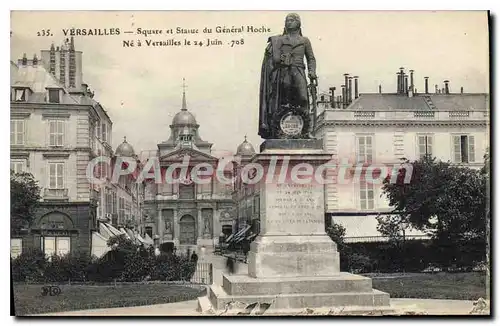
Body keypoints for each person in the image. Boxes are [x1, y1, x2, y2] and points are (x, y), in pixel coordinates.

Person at [258, 13, 317, 139]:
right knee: (283, 101)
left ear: (298, 23)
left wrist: (312, 71)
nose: (288, 22)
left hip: (299, 71)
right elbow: (271, 58)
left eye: (291, 20)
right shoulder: (279, 40)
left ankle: (306, 131)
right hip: (284, 73)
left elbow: (311, 58)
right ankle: (279, 131)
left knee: (303, 99)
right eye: (286, 20)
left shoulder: (304, 41)